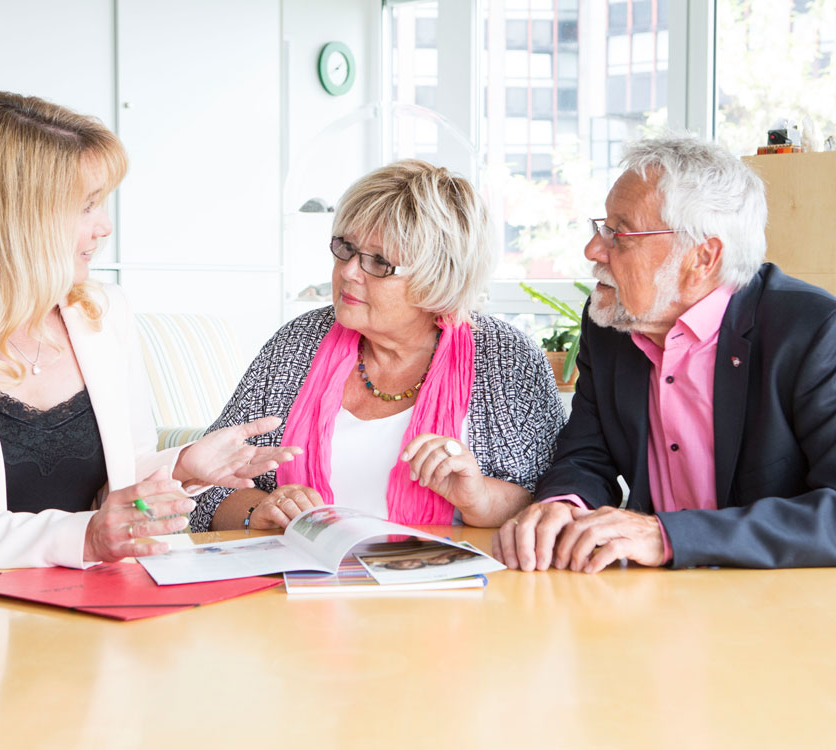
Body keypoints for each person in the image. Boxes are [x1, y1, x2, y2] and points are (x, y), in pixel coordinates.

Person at [0, 91, 297, 577]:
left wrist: (183, 464)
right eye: (87, 207)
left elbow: (117, 482)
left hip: (87, 596)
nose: (104, 227)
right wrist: (84, 536)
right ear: (14, 218)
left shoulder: (105, 313)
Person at [493, 134, 836, 573]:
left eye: (619, 234)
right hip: (654, 595)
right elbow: (586, 453)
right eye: (601, 228)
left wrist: (670, 536)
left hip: (776, 598)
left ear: (703, 257)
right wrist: (564, 505)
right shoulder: (612, 324)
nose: (593, 250)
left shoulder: (813, 331)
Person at [191, 159, 565, 532]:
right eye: (346, 247)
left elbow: (552, 502)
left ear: (438, 276)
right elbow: (206, 486)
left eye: (380, 262)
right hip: (302, 568)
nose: (349, 271)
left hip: (446, 570)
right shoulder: (298, 342)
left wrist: (478, 497)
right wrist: (259, 510)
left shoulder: (506, 356)